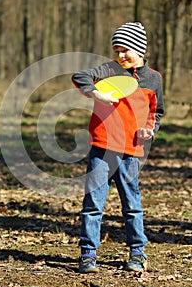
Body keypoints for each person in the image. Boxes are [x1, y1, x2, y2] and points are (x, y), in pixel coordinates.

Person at [71, 22, 165, 273]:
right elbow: (79, 76)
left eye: (125, 50)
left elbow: (156, 112)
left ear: (139, 49)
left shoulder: (153, 79)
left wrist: (150, 130)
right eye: (116, 50)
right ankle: (88, 254)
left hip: (131, 151)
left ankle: (138, 253)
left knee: (132, 205)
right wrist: (96, 94)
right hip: (102, 147)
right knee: (93, 205)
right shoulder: (109, 70)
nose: (120, 55)